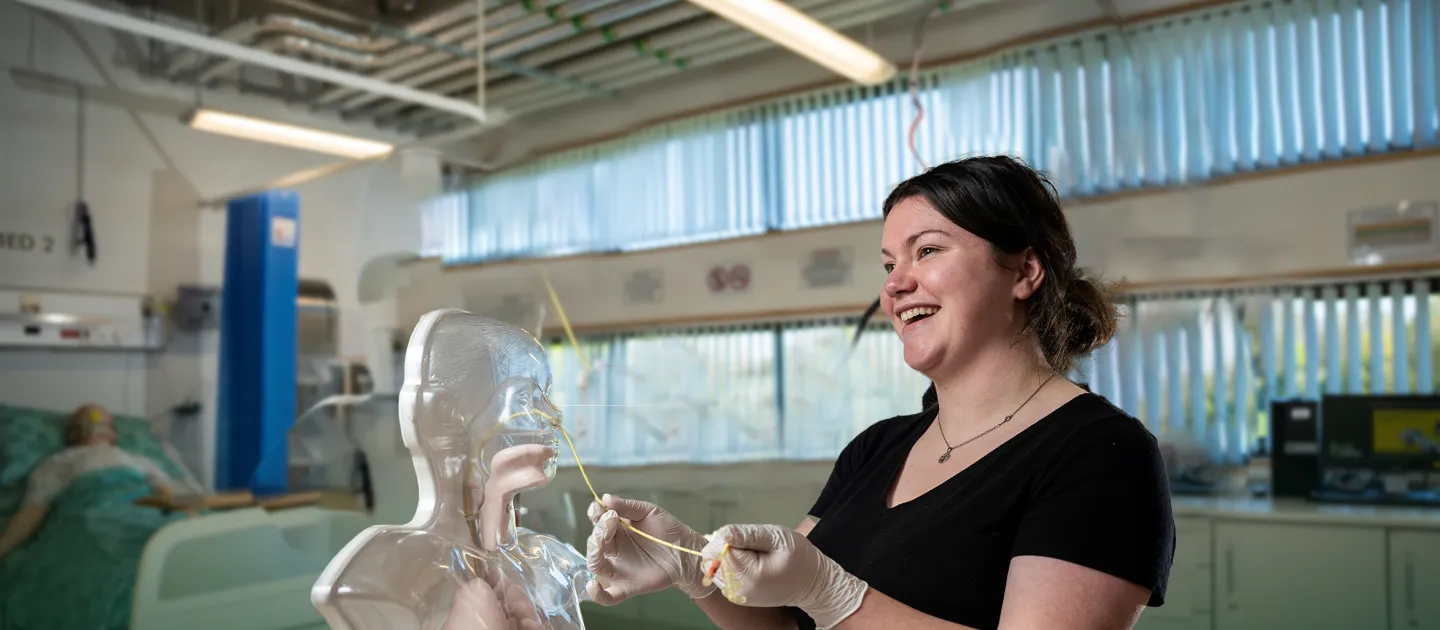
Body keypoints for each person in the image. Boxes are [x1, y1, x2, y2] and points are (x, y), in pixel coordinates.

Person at [584, 156, 1175, 630]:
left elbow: (820, 595)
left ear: (1024, 272)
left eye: (928, 250)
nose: (894, 285)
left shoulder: (1100, 455)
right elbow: (786, 621)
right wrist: (692, 566)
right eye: (890, 264)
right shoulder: (877, 448)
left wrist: (835, 594)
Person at [0, 404, 175, 562]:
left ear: (114, 433)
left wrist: (177, 517)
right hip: (92, 519)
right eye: (89, 420)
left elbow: (167, 494)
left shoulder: (137, 461)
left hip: (139, 514)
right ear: (73, 433)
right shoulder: (58, 462)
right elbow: (33, 510)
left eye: (104, 422)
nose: (97, 423)